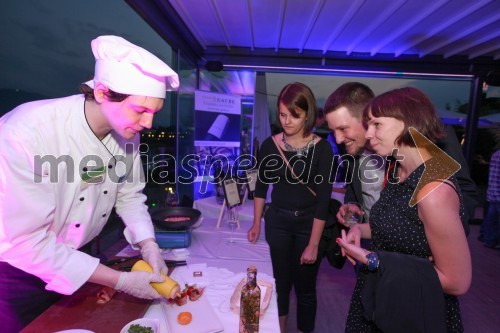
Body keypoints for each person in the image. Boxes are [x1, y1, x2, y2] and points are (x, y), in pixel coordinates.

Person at [0, 35, 179, 332]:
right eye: (140, 110)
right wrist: (120, 281)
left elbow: (129, 196)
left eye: (154, 113)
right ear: (102, 92)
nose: (148, 124)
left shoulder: (128, 135)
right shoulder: (26, 133)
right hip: (18, 273)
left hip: (80, 261)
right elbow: (24, 242)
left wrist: (149, 245)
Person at [336, 87, 472, 332]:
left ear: (409, 123)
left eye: (376, 124)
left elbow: (457, 282)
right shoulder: (398, 171)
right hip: (384, 300)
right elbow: (399, 227)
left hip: (413, 313)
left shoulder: (433, 191)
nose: (368, 134)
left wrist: (373, 259)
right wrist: (360, 230)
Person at [324, 82, 479, 233]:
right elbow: (353, 185)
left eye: (343, 128)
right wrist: (353, 204)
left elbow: (464, 190)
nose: (338, 139)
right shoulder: (350, 145)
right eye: (333, 131)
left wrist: (442, 238)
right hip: (368, 236)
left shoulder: (426, 136)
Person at [247, 82, 333, 333]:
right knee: (280, 284)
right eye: (282, 114)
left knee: (305, 288)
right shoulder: (269, 145)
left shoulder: (323, 148)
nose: (287, 121)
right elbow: (261, 188)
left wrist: (315, 244)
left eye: (294, 115)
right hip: (278, 223)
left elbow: (323, 200)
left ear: (308, 115)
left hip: (309, 225)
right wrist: (255, 222)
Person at [482, 149, 500, 248]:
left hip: (492, 192)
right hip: (498, 193)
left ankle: (489, 240)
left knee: (491, 219)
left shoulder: (496, 154)